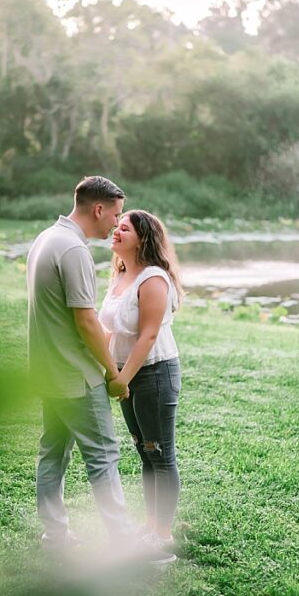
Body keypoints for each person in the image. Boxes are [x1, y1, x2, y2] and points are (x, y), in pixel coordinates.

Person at [27, 176, 173, 564]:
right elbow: (87, 322)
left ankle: (55, 535)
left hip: (47, 370)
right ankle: (126, 544)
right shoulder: (73, 250)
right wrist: (112, 373)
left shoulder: (45, 239)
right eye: (116, 215)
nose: (115, 223)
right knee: (104, 456)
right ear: (99, 209)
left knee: (52, 453)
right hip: (76, 375)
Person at [99, 210, 185, 561]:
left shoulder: (152, 278)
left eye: (124, 228)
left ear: (143, 238)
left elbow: (148, 335)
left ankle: (162, 535)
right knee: (144, 450)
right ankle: (150, 526)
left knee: (160, 453)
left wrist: (122, 378)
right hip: (127, 374)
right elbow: (110, 329)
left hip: (153, 373)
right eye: (116, 227)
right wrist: (105, 367)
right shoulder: (121, 274)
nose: (115, 232)